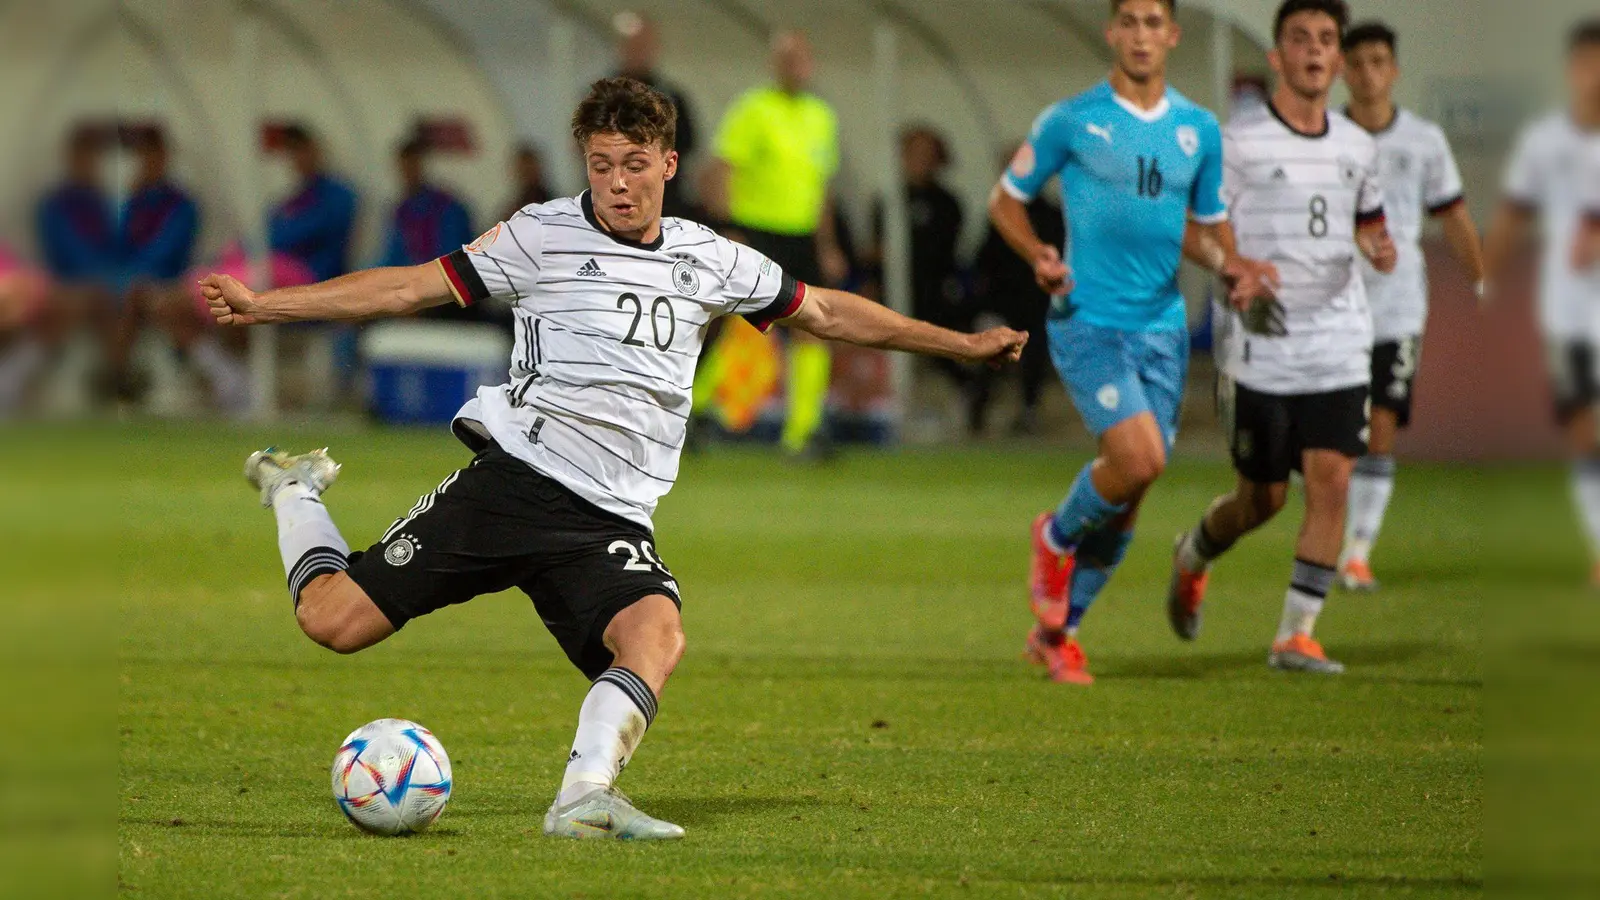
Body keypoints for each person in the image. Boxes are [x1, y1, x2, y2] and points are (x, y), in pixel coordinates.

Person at [200, 77, 1026, 841]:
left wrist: (957, 345)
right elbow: (406, 288)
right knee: (332, 623)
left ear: (670, 163)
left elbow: (830, 313)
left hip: (611, 517)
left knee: (656, 636)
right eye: (602, 166)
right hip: (517, 483)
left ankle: (581, 799)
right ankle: (295, 489)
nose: (618, 183)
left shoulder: (712, 257)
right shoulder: (538, 235)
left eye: (635, 164)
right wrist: (265, 304)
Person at [989, 0, 1276, 684]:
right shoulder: (1071, 119)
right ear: (1113, 31)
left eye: (1155, 23)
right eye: (1130, 21)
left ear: (1172, 35)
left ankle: (1061, 636)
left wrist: (1231, 267)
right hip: (1089, 317)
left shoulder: (1198, 130)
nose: (1142, 35)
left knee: (1131, 491)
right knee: (1140, 459)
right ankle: (1053, 537)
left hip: (1162, 329)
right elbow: (1005, 201)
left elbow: (1208, 226)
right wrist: (1037, 254)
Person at [1166, 0, 1398, 675]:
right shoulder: (1236, 143)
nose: (1316, 51)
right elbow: (1189, 227)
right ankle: (1194, 554)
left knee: (1331, 479)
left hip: (1338, 338)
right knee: (1261, 499)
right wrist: (1229, 264)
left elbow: (1367, 225)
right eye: (1300, 39)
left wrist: (1376, 249)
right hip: (1260, 347)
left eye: (1327, 39)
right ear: (1276, 56)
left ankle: (1296, 634)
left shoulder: (1358, 146)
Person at [1335, 22, 1486, 591]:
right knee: (1331, 434)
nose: (1370, 73)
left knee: (1382, 424)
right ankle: (1328, 531)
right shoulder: (1326, 136)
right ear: (1343, 72)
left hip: (1398, 306)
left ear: (1394, 70)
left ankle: (1356, 551)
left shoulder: (1423, 140)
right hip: (1333, 306)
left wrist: (1482, 284)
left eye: (1380, 61)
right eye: (1359, 63)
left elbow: (1453, 217)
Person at [1484, 19, 1600, 585]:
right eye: (1588, 64)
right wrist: (1487, 276)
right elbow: (1514, 212)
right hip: (1569, 318)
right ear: (1572, 70)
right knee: (1585, 431)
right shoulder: (1545, 142)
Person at [705, 30, 850, 458]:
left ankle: (803, 430)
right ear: (774, 63)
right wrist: (727, 226)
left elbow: (821, 187)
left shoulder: (821, 115)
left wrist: (827, 246)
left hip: (802, 236)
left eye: (801, 58)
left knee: (815, 327)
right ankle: (699, 409)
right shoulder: (753, 109)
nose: (794, 66)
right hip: (756, 232)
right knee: (738, 326)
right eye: (787, 58)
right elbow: (721, 169)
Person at [872, 127, 974, 430]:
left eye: (927, 155)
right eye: (914, 154)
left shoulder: (948, 203)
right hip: (892, 293)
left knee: (946, 335)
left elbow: (946, 252)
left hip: (935, 291)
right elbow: (877, 249)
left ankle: (961, 401)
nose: (920, 161)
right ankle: (887, 411)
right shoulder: (889, 200)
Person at [971, 143, 1065, 436]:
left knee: (1037, 342)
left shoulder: (1053, 216)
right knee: (987, 341)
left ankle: (1028, 409)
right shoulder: (997, 214)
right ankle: (977, 409)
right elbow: (982, 262)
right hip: (1001, 302)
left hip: (1039, 304)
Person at [378, 137, 479, 324]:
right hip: (413, 292)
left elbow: (453, 261)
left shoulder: (447, 207)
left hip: (446, 295)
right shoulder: (401, 211)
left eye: (413, 165)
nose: (408, 172)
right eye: (404, 167)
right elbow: (391, 257)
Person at [614, 12, 699, 220]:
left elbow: (687, 145)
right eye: (633, 45)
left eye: (644, 45)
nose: (639, 52)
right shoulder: (602, 97)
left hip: (663, 205)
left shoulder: (672, 98)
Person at [268, 124, 358, 284]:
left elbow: (299, 232)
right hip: (287, 270)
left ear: (314, 149)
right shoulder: (295, 198)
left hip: (317, 276)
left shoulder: (338, 194)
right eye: (292, 152)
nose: (297, 158)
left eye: (300, 150)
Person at [502, 142, 554, 222]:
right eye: (522, 169)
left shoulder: (553, 206)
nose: (525, 172)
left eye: (529, 168)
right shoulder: (512, 211)